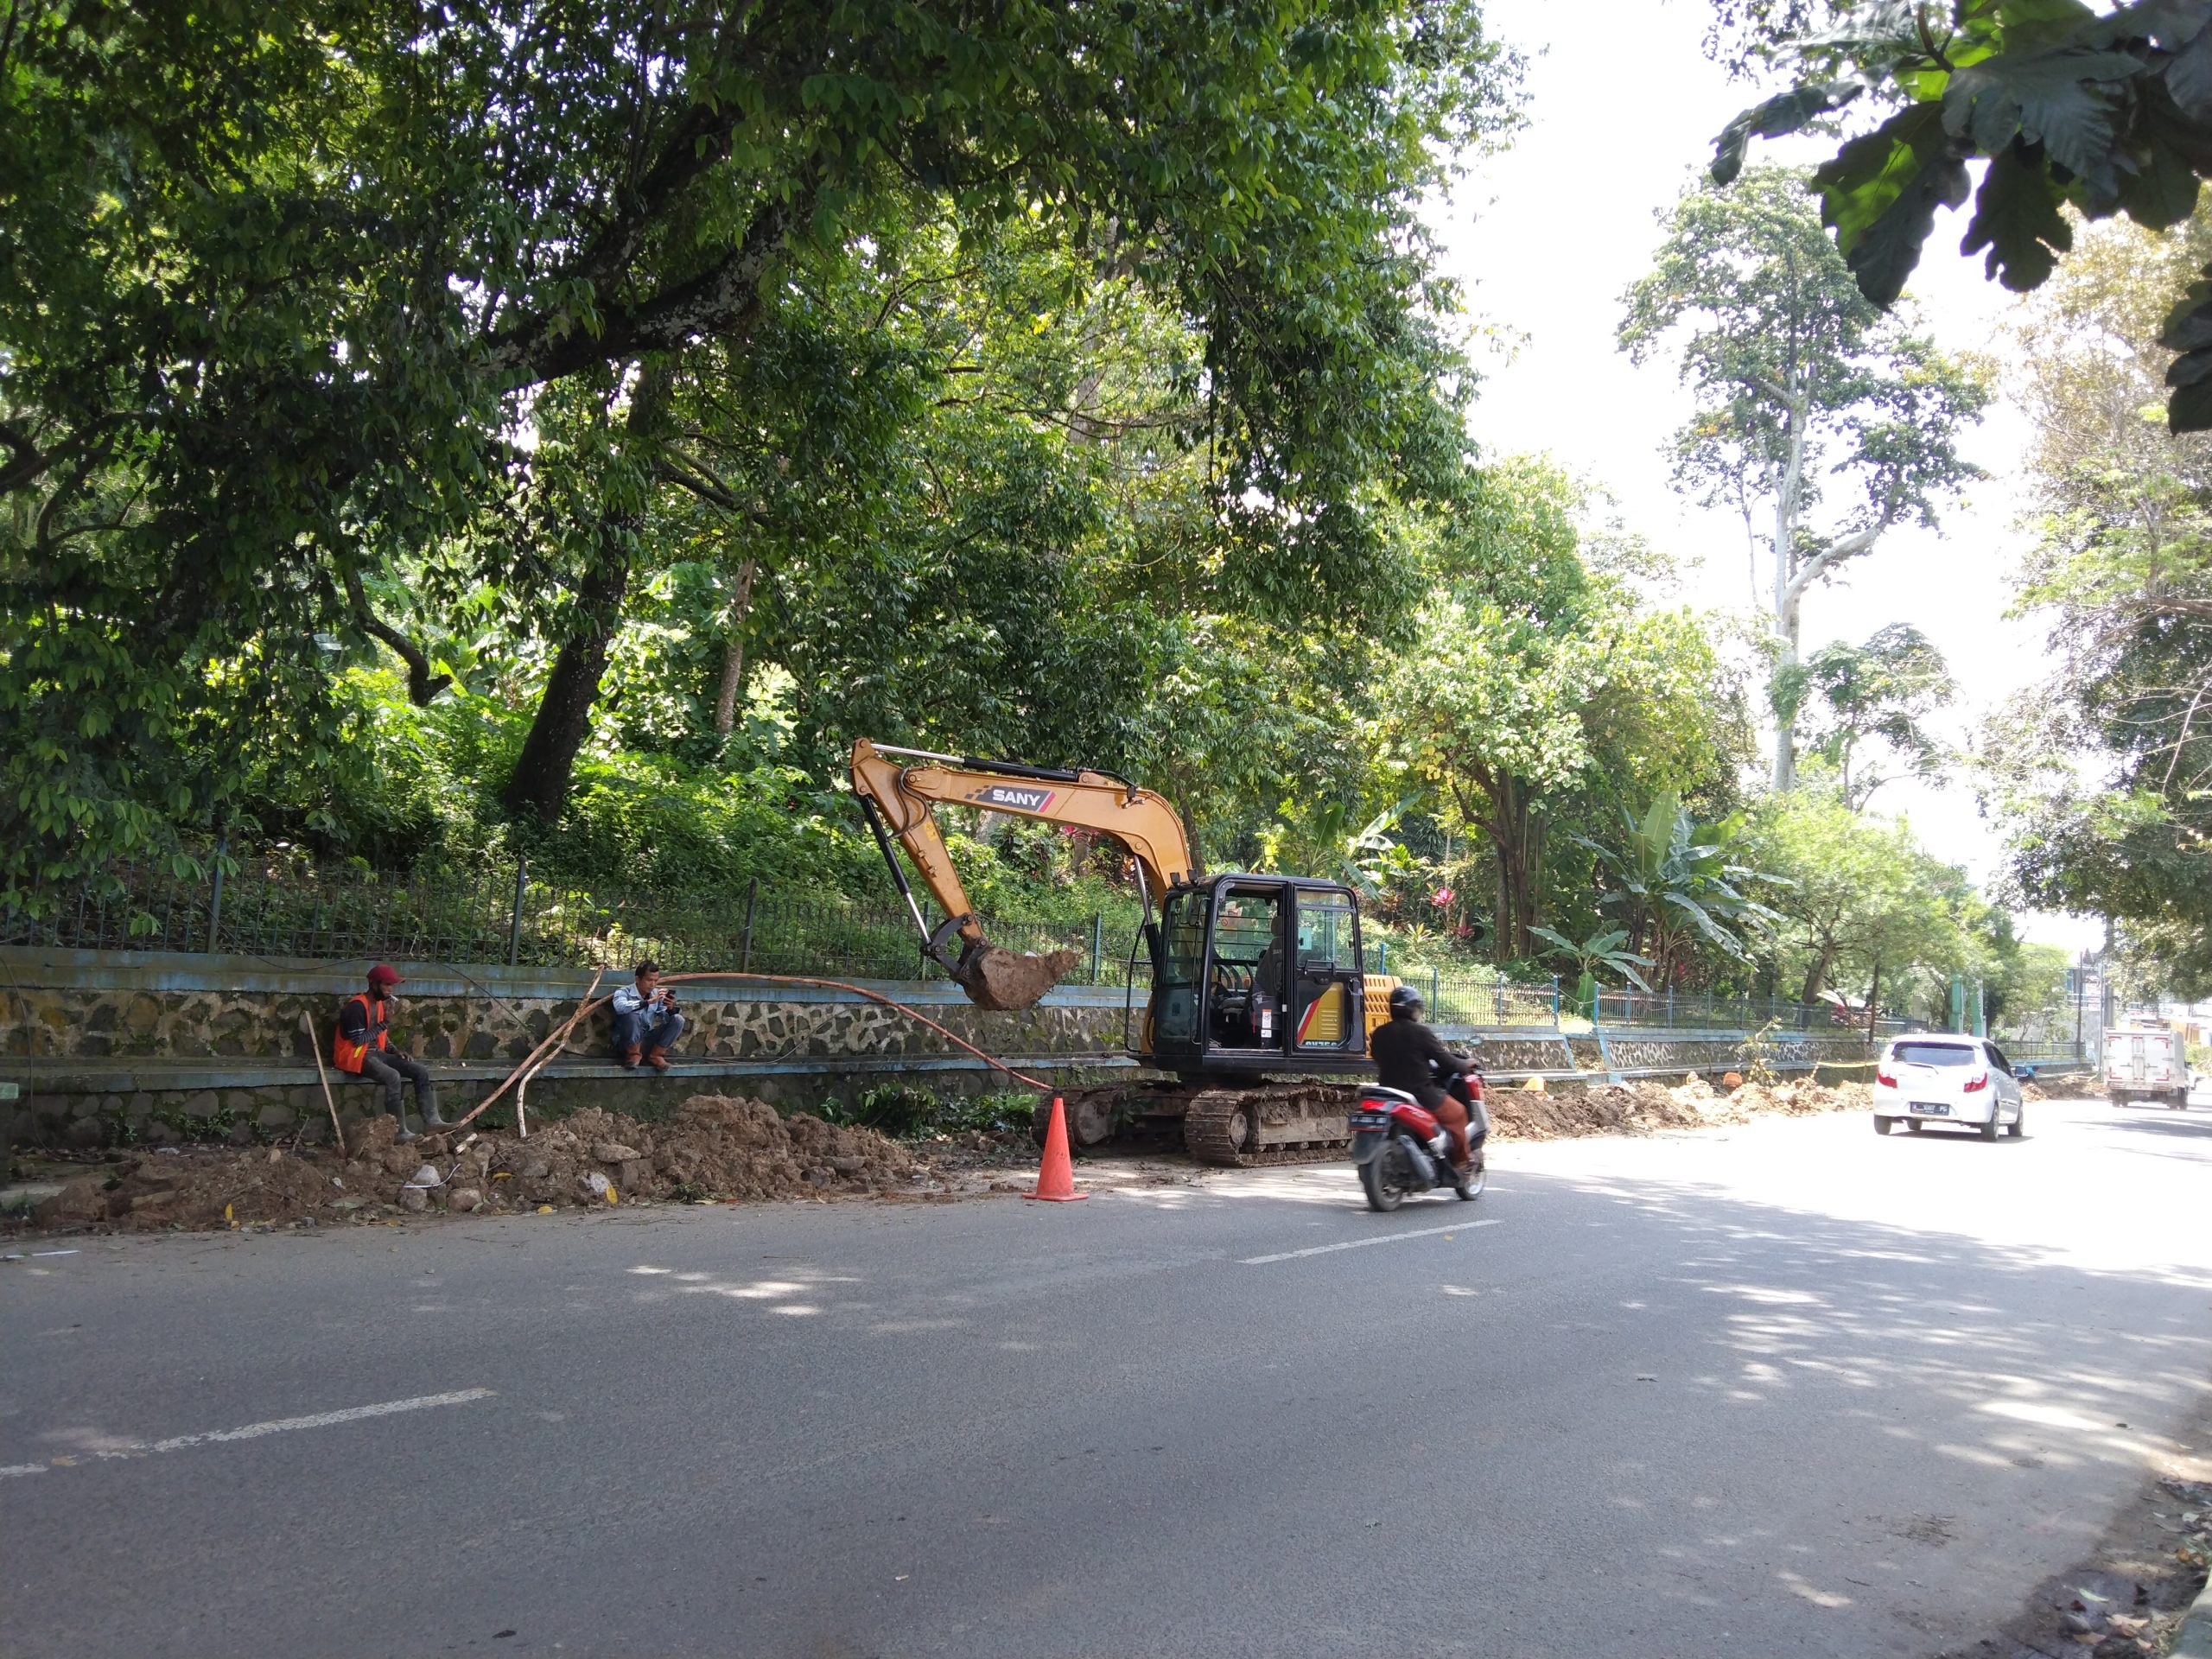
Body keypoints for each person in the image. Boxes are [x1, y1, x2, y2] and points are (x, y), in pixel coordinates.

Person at [1369, 984, 1485, 1175]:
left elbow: (1380, 1057)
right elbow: (1447, 1062)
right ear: (1413, 1009)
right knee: (1458, 1113)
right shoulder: (1420, 1032)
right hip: (1421, 1094)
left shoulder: (1379, 1033)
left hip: (1388, 1093)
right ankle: (1462, 1162)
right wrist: (1467, 1064)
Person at [334, 963, 444, 1140]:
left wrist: (394, 1051)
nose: (390, 990)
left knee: (420, 1071)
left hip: (374, 1053)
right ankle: (399, 1132)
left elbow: (381, 1037)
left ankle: (432, 1122)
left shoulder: (379, 1005)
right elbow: (358, 1041)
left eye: (392, 986)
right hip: (354, 1056)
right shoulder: (356, 1007)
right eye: (386, 985)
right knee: (393, 1076)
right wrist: (385, 1022)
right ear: (374, 984)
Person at [611, 959, 684, 1071]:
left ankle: (656, 1055)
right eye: (649, 980)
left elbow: (664, 1017)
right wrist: (648, 1002)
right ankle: (633, 1055)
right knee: (631, 1015)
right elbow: (621, 1008)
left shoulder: (656, 994)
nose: (653, 984)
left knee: (678, 1019)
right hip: (625, 1043)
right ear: (638, 979)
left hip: (646, 1040)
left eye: (655, 980)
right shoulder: (623, 992)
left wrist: (670, 1009)